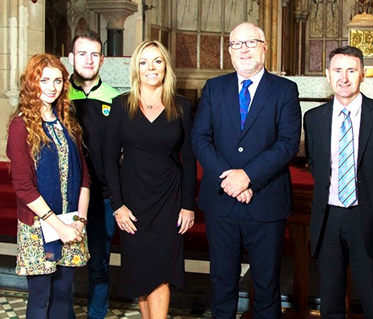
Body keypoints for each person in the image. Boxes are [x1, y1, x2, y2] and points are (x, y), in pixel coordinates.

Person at [192, 22, 301, 318]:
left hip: (265, 203)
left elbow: (288, 143)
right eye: (237, 44)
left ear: (265, 47)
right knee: (222, 284)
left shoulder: (285, 90)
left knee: (266, 286)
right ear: (229, 51)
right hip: (221, 202)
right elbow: (200, 139)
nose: (244, 50)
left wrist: (248, 177)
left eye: (251, 43)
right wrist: (230, 180)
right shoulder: (215, 88)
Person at [304, 46, 373, 319]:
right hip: (329, 220)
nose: (344, 78)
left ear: (363, 75)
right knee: (331, 303)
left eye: (351, 70)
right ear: (327, 75)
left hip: (368, 218)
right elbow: (316, 165)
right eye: (337, 70)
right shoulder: (313, 119)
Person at [104, 40, 196, 318]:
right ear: (136, 68)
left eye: (157, 61)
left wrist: (188, 204)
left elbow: (190, 158)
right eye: (144, 62)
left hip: (168, 199)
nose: (151, 67)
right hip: (132, 201)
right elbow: (109, 159)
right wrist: (117, 205)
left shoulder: (181, 105)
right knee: (140, 270)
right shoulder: (121, 106)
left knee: (161, 272)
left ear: (165, 66)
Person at [6, 54, 90, 318]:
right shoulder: (21, 126)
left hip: (72, 222)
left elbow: (85, 177)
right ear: (32, 83)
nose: (52, 87)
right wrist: (60, 227)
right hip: (38, 226)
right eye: (44, 80)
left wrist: (79, 221)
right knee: (42, 298)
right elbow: (24, 187)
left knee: (64, 295)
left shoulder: (69, 124)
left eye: (57, 80)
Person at [68, 30, 121, 319]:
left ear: (102, 59)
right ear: (71, 57)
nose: (88, 60)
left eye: (94, 54)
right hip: (65, 196)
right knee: (59, 263)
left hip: (103, 196)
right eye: (82, 54)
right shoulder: (59, 95)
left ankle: (96, 315)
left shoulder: (115, 99)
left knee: (100, 263)